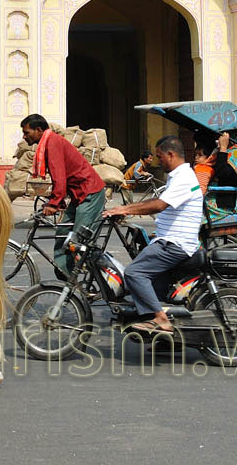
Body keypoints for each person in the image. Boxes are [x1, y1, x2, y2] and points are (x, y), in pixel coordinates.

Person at [103, 135, 203, 334]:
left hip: (175, 243)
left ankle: (160, 320)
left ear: (171, 154)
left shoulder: (184, 177)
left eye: (160, 156)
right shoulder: (178, 175)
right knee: (156, 289)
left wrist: (124, 209)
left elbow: (158, 205)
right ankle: (164, 339)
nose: (157, 161)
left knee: (134, 273)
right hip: (170, 239)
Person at [21, 113, 106, 276]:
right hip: (77, 195)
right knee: (62, 235)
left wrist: (53, 204)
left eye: (27, 132)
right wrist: (55, 202)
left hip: (89, 192)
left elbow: (59, 177)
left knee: (78, 241)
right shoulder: (47, 143)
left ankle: (98, 280)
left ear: (38, 130)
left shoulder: (52, 143)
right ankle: (66, 278)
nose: (24, 137)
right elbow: (59, 179)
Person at [193, 132, 237, 210]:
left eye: (200, 155)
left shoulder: (203, 169)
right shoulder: (202, 167)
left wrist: (223, 148)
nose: (196, 158)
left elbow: (200, 188)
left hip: (220, 203)